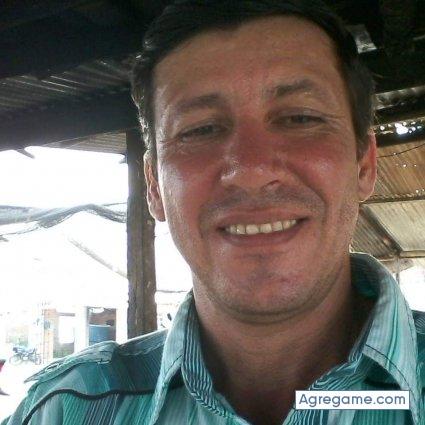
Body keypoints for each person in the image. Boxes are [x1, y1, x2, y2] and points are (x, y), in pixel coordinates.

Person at [3, 1, 424, 424]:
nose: (251, 170)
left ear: (364, 165)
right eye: (200, 129)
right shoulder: (65, 411)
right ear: (154, 186)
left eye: (300, 118)